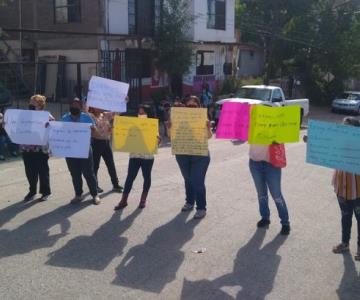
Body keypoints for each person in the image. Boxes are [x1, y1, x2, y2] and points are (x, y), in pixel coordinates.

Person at [167, 96, 212, 219]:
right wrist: (169, 127)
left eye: (194, 106)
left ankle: (201, 207)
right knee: (188, 179)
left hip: (200, 155)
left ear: (199, 107)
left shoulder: (203, 117)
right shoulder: (178, 118)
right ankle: (190, 202)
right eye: (188, 105)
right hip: (182, 154)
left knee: (198, 181)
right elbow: (171, 136)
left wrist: (208, 127)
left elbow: (208, 136)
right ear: (184, 106)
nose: (191, 108)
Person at [114, 105, 160, 210]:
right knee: (130, 177)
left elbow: (156, 142)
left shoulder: (152, 124)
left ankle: (143, 200)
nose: (141, 115)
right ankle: (123, 200)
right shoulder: (133, 123)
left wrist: (158, 139)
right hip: (134, 155)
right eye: (139, 113)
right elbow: (125, 136)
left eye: (143, 113)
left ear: (148, 114)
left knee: (146, 177)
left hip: (147, 157)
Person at [330, 117, 360, 259]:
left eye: (348, 128)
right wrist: (310, 141)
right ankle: (345, 243)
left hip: (358, 190)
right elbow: (324, 144)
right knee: (345, 217)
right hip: (341, 188)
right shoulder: (338, 142)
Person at [62, 98, 100, 205]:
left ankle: (95, 194)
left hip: (85, 150)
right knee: (75, 173)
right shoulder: (65, 118)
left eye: (77, 105)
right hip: (70, 151)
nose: (74, 107)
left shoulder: (87, 117)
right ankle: (78, 195)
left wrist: (93, 129)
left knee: (89, 173)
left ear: (80, 107)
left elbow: (96, 133)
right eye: (73, 105)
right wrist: (49, 126)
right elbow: (58, 131)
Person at [248, 138, 290, 235]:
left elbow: (284, 135)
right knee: (261, 194)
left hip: (272, 163)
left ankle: (285, 223)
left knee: (276, 195)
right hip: (254, 162)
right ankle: (265, 217)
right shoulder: (250, 122)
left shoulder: (275, 122)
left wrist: (279, 140)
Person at [20, 95, 53, 202]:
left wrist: (49, 125)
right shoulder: (25, 115)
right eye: (30, 102)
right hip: (26, 148)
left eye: (33, 103)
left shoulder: (46, 115)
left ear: (39, 105)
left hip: (40, 149)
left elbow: (53, 127)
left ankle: (45, 192)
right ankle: (32, 191)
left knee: (43, 171)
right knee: (29, 171)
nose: (30, 105)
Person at [88, 107, 123, 193]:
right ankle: (95, 186)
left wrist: (123, 102)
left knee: (111, 164)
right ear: (93, 108)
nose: (100, 107)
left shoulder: (105, 115)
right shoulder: (91, 117)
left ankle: (115, 184)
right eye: (98, 106)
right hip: (96, 143)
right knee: (95, 166)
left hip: (106, 142)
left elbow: (117, 112)